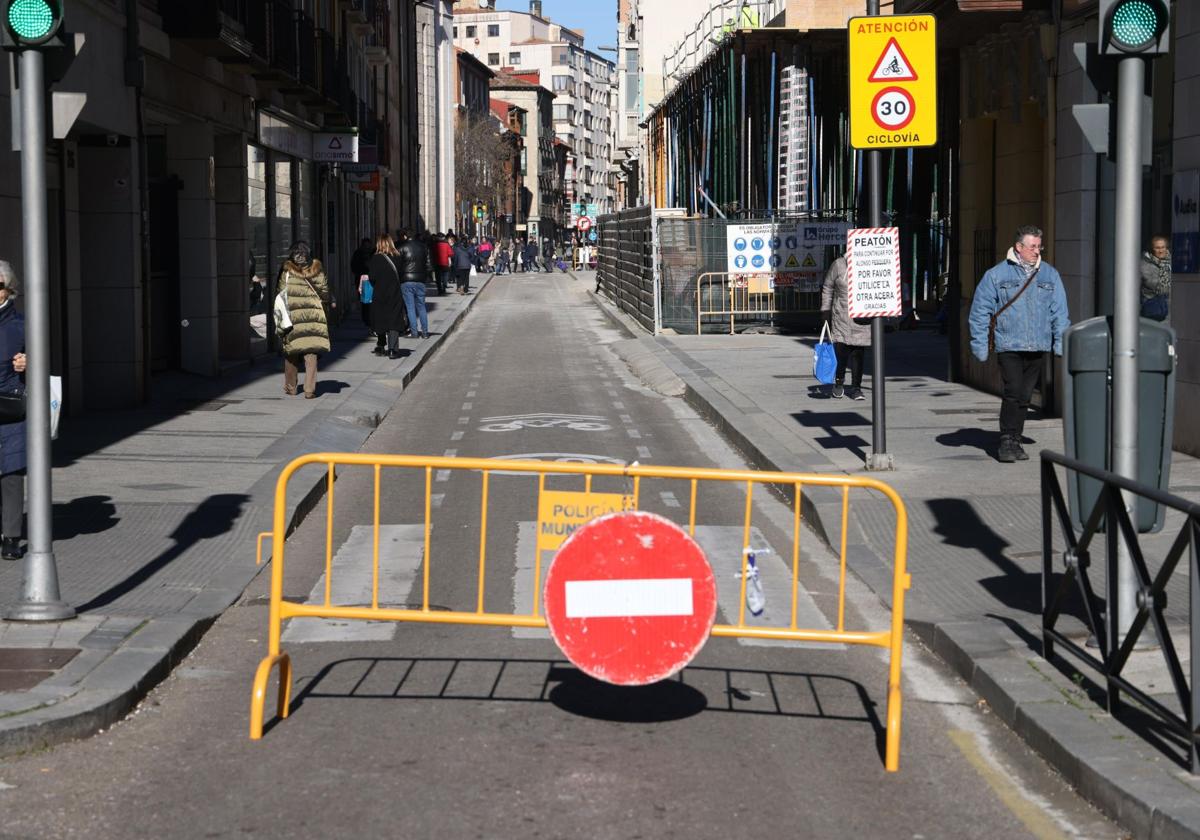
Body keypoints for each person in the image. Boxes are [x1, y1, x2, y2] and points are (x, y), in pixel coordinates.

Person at [969, 225, 1070, 463]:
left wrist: (1059, 344)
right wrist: (980, 345)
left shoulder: (1049, 274)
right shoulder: (996, 275)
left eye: (1039, 246)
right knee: (1013, 391)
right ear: (1019, 247)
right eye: (1032, 246)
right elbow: (980, 311)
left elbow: (1060, 312)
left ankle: (1016, 438)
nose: (1037, 251)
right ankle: (1006, 440)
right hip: (1009, 344)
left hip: (1038, 345)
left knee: (1025, 396)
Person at [278, 241, 331, 398]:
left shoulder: (287, 272)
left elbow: (281, 293)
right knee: (311, 353)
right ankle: (309, 390)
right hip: (313, 317)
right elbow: (325, 292)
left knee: (291, 352)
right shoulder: (317, 269)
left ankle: (291, 388)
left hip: (293, 317)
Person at [0, 261, 26, 561]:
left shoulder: (21, 326)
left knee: (11, 472)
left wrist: (27, 363)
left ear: (9, 289)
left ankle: (11, 537)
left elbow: (45, 361)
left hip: (10, 404)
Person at [819, 255, 870, 400]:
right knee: (842, 351)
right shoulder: (839, 264)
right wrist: (825, 311)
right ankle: (839, 382)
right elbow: (828, 287)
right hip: (841, 315)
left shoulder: (869, 262)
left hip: (862, 315)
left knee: (858, 352)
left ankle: (856, 388)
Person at [367, 233, 408, 358]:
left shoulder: (375, 258)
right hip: (394, 293)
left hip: (379, 293)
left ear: (379, 244)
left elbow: (372, 278)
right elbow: (401, 275)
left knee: (380, 319)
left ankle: (381, 345)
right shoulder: (398, 257)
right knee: (393, 320)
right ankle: (392, 349)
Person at [396, 229, 432, 340]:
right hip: (420, 280)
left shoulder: (402, 247)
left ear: (405, 236)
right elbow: (429, 264)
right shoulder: (423, 247)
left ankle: (414, 332)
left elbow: (397, 265)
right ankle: (425, 333)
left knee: (410, 307)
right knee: (421, 307)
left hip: (406, 280)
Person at [1140, 235, 1171, 321]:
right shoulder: (1143, 265)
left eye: (1163, 247)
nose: (1161, 250)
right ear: (1152, 249)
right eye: (1157, 248)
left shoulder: (1172, 263)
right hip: (1152, 309)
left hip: (1171, 309)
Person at [351, 237, 374, 330]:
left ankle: (367, 318)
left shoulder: (359, 253)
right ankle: (367, 318)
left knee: (365, 301)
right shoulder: (371, 253)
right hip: (365, 279)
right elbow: (354, 266)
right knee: (367, 301)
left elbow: (353, 266)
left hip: (363, 278)